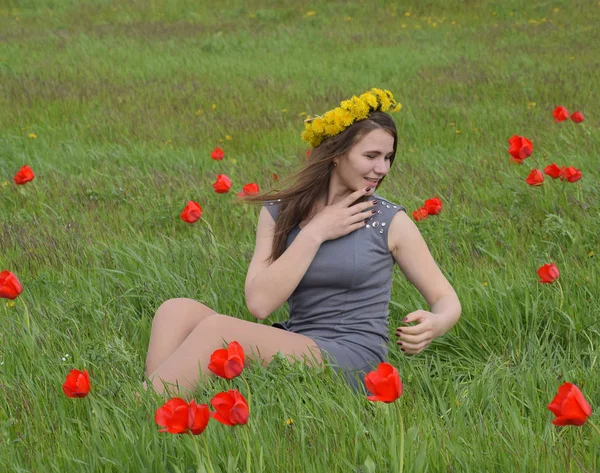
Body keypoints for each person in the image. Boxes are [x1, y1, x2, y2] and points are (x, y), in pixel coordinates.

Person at [144, 88, 461, 395]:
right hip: (295, 341)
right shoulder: (280, 213)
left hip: (351, 359)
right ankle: (161, 405)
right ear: (336, 155)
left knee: (218, 331)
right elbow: (260, 303)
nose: (383, 168)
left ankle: (146, 404)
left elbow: (446, 299)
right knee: (176, 311)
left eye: (388, 157)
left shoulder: (389, 221)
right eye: (371, 155)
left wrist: (438, 322)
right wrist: (315, 231)